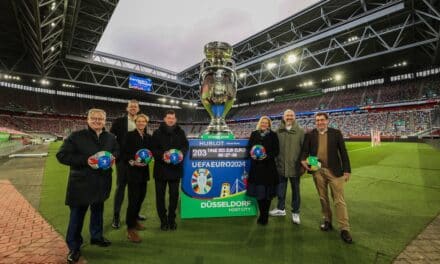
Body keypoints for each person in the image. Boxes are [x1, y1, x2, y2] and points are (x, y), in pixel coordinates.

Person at [56, 109, 119, 263]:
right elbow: (62, 155)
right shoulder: (76, 136)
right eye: (94, 118)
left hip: (102, 182)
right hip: (81, 184)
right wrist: (86, 160)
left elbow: (116, 151)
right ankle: (74, 247)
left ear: (105, 120)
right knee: (77, 216)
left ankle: (96, 237)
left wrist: (113, 157)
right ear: (88, 119)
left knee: (98, 211)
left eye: (101, 119)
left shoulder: (110, 137)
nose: (97, 121)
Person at [300, 112, 353, 244]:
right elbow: (305, 151)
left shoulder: (336, 133)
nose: (319, 122)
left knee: (339, 200)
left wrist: (347, 170)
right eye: (317, 120)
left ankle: (344, 228)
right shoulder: (310, 134)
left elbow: (343, 152)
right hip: (317, 170)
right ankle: (327, 220)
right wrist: (303, 160)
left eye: (322, 120)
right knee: (323, 198)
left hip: (335, 171)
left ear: (327, 121)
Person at [152, 110, 188, 231]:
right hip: (161, 170)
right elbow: (153, 149)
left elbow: (185, 146)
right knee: (160, 197)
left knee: (174, 196)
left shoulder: (181, 132)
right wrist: (163, 156)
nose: (171, 120)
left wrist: (181, 154)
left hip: (175, 169)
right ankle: (163, 220)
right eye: (168, 118)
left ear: (175, 119)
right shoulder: (157, 133)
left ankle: (172, 219)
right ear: (165, 119)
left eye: (173, 118)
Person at [110, 99, 143, 229]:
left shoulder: (141, 122)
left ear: (138, 109)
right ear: (127, 108)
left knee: (136, 190)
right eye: (131, 106)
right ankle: (116, 216)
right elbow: (111, 138)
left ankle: (135, 214)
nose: (133, 108)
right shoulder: (119, 122)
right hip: (123, 161)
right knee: (121, 188)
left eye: (135, 106)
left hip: (138, 162)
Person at [270, 109, 305, 224]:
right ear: (283, 117)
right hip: (280, 167)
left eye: (291, 115)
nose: (289, 117)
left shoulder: (300, 131)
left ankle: (295, 212)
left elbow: (304, 150)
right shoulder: (278, 131)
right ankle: (281, 209)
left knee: (296, 191)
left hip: (295, 168)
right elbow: (274, 149)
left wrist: (303, 164)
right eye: (287, 115)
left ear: (294, 117)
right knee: (281, 190)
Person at [122, 114, 152, 243]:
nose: (141, 123)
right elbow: (123, 152)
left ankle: (135, 221)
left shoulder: (148, 137)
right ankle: (130, 229)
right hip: (133, 172)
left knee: (141, 198)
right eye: (139, 121)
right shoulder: (129, 135)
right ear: (135, 122)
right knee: (133, 200)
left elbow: (150, 152)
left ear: (146, 123)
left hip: (144, 172)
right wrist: (133, 162)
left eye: (143, 121)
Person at [247, 116, 279, 225]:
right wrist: (253, 155)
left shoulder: (273, 135)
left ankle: (265, 216)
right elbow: (248, 149)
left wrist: (266, 156)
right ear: (260, 123)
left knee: (267, 194)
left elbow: (276, 151)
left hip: (269, 168)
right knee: (259, 194)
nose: (264, 124)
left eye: (266, 123)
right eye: (262, 122)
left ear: (269, 125)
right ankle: (262, 214)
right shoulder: (254, 134)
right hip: (256, 168)